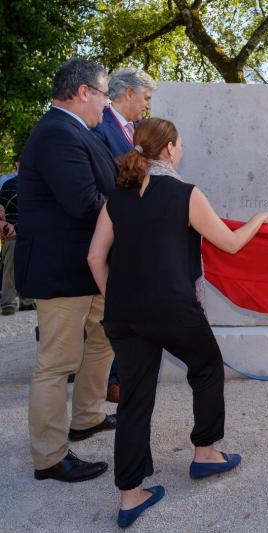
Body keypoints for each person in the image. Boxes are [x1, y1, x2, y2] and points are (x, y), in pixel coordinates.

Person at [87, 117, 268, 529]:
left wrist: (119, 299)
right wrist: (259, 219)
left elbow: (94, 257)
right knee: (208, 367)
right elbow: (229, 244)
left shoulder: (115, 196)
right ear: (170, 149)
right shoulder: (185, 193)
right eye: (180, 145)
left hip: (124, 314)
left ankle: (130, 496)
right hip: (173, 308)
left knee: (134, 400)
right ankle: (206, 453)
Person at [16, 58, 118, 483]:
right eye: (103, 94)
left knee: (103, 340)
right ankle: (50, 457)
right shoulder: (58, 133)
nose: (105, 104)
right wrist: (130, 219)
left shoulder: (77, 131)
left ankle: (88, 417)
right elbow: (83, 201)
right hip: (62, 268)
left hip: (87, 265)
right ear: (82, 92)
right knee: (56, 363)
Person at [91, 67, 156, 404]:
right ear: (128, 93)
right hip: (110, 231)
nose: (148, 105)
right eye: (146, 98)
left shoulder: (136, 130)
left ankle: (119, 375)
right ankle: (112, 380)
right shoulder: (99, 129)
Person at [0, 154, 35, 315]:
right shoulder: (8, 184)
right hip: (13, 231)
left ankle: (27, 300)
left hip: (33, 231)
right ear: (17, 163)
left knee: (30, 265)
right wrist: (4, 225)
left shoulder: (37, 182)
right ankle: (8, 302)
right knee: (10, 266)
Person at [92, 67, 155, 156]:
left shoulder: (146, 127)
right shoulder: (98, 127)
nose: (149, 106)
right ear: (130, 94)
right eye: (146, 98)